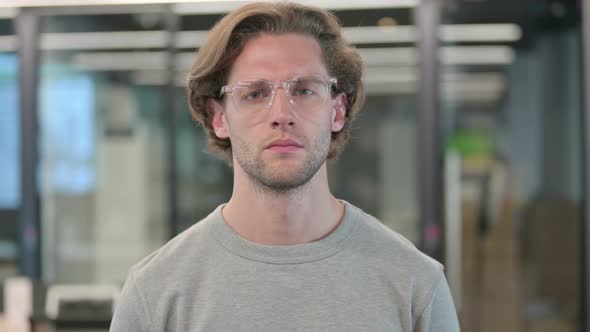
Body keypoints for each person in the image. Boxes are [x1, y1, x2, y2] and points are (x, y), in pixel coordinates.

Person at [110, 2, 460, 331]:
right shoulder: (154, 293)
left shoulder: (415, 284)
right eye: (255, 94)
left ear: (337, 111)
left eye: (305, 90)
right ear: (219, 118)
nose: (281, 115)